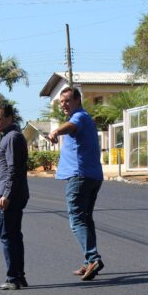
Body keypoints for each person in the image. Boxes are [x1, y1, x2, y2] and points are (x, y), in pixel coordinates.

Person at [48, 87, 105, 281]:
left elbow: (70, 127)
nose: (64, 104)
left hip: (80, 177)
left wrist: (56, 131)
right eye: (62, 101)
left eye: (67, 100)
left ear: (78, 101)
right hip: (92, 176)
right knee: (86, 219)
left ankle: (93, 258)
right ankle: (88, 259)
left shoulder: (79, 117)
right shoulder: (83, 118)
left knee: (76, 220)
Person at [0, 104, 29, 290]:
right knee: (14, 236)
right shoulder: (9, 137)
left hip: (9, 196)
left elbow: (14, 169)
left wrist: (6, 195)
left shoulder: (12, 137)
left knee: (8, 237)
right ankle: (19, 276)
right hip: (11, 193)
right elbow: (7, 166)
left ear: (9, 118)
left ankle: (12, 278)